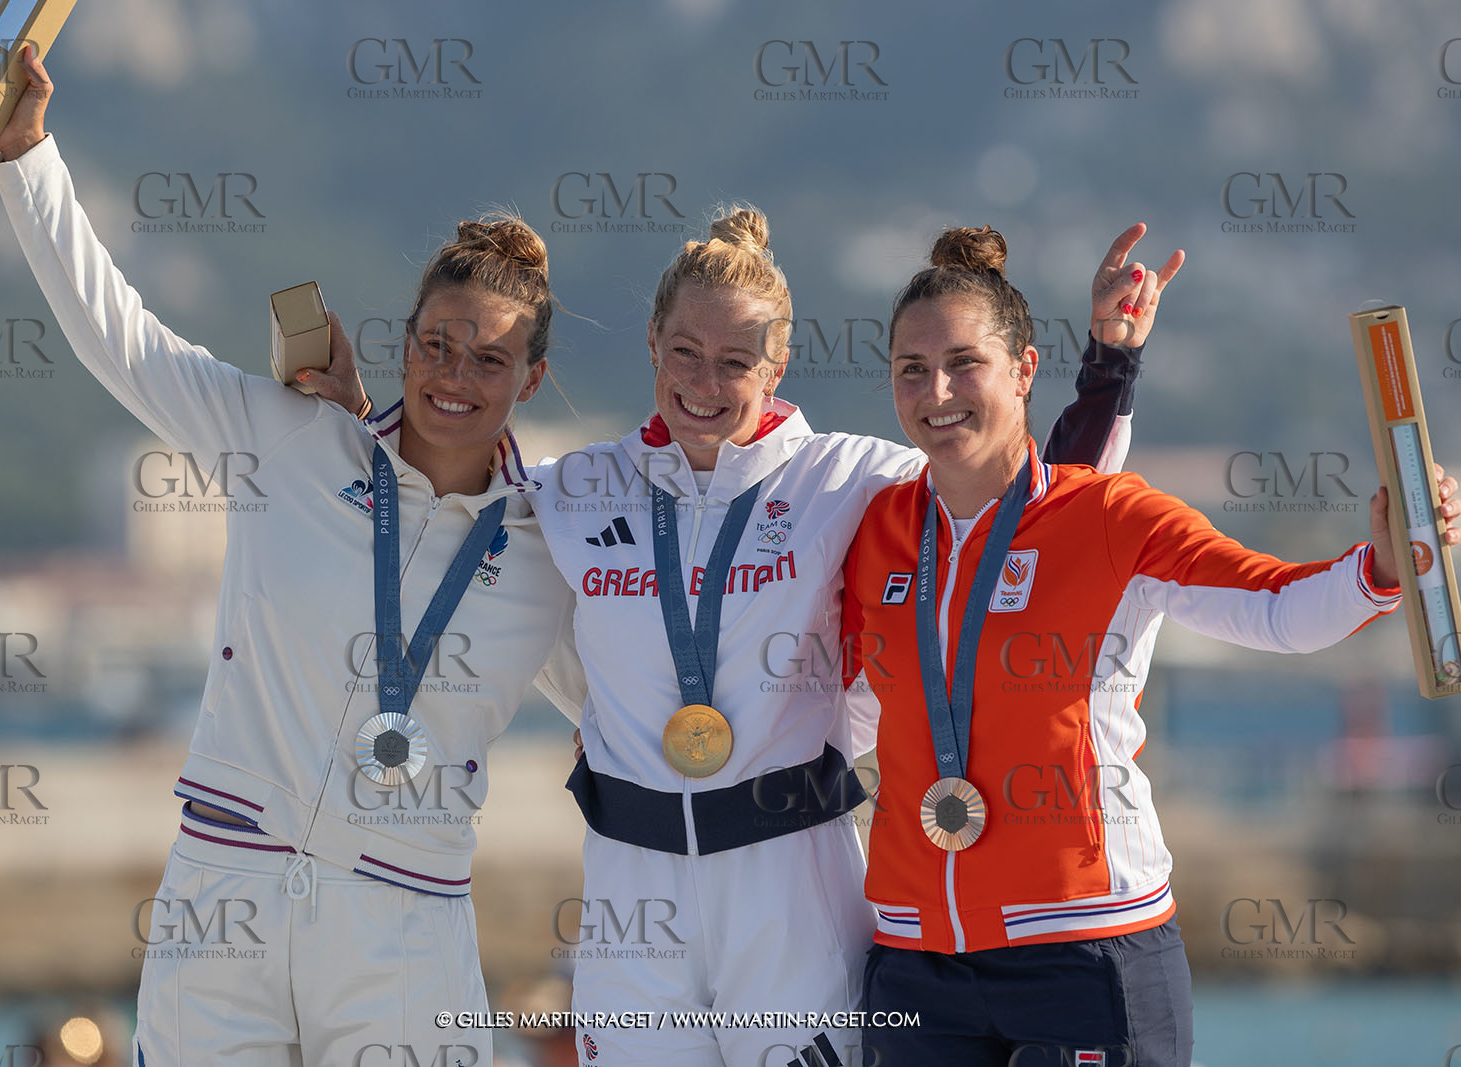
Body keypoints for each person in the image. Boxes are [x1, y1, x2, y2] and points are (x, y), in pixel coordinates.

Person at [348, 206, 1179, 1065]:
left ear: (777, 366)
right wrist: (340, 416)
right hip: (634, 891)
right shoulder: (575, 487)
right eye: (684, 353)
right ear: (652, 344)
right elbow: (438, 475)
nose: (704, 382)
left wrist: (1110, 364)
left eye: (735, 361)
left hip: (790, 883)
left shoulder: (849, 478)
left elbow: (1042, 507)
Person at [0, 45, 583, 1066]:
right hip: (227, 890)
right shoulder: (294, 440)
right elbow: (121, 341)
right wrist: (28, 155)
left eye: (490, 358)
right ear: (403, 342)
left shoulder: (546, 555)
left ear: (529, 380)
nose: (455, 375)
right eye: (438, 342)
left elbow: (648, 714)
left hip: (404, 918)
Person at [841, 225, 1459, 1066]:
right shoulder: (877, 529)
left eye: (963, 362)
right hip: (914, 960)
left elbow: (1277, 609)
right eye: (911, 368)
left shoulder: (1109, 519)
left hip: (1088, 949)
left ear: (1024, 370)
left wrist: (1383, 564)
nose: (936, 389)